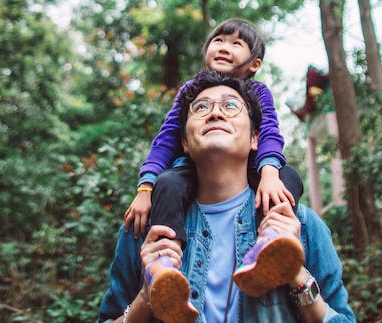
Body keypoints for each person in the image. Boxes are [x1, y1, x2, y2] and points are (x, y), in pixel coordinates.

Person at [99, 70, 357, 323]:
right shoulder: (146, 229)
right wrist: (147, 296)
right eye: (201, 107)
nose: (215, 113)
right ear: (185, 143)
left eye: (231, 105)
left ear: (255, 139)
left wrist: (296, 274)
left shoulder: (301, 225)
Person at [123, 19, 305, 311]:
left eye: (236, 43)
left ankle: (272, 242)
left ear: (254, 64)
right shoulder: (191, 91)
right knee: (167, 183)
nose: (224, 47)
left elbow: (270, 132)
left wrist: (270, 171)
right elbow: (166, 139)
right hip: (192, 169)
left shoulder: (258, 92)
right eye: (218, 40)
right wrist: (145, 188)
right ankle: (163, 264)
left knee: (288, 178)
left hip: (252, 167)